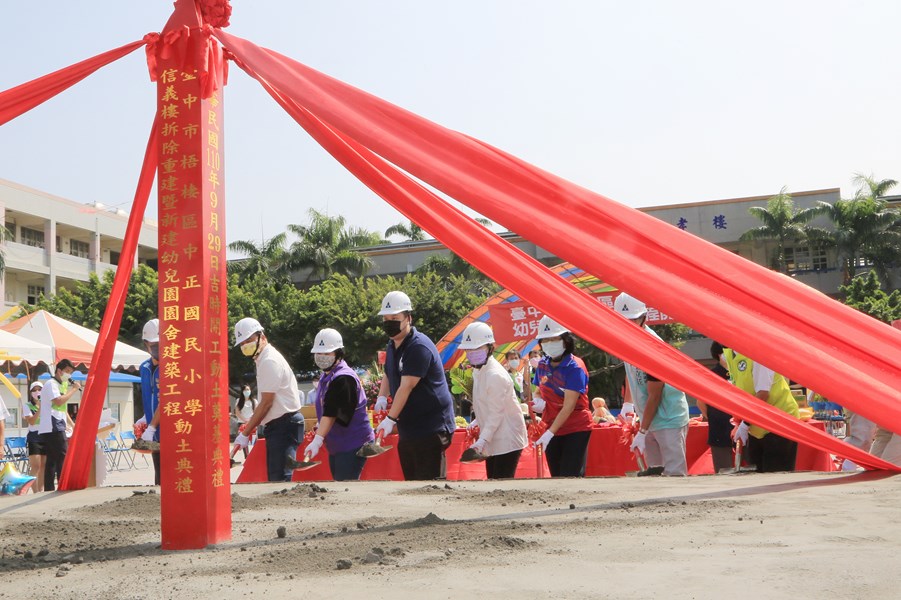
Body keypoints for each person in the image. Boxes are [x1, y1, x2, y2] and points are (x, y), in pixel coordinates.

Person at [374, 291, 456, 480]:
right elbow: (388, 371)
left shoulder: (418, 347)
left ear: (408, 318)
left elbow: (406, 386)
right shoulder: (392, 344)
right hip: (409, 426)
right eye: (386, 319)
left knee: (429, 483)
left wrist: (390, 418)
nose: (389, 323)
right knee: (412, 482)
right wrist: (381, 397)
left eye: (395, 318)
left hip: (431, 426)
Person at [614, 293, 690, 477]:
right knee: (655, 475)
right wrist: (628, 404)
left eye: (632, 320)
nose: (627, 325)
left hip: (668, 418)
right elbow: (631, 374)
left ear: (643, 318)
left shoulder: (654, 348)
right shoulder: (629, 341)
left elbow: (655, 395)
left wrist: (642, 431)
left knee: (674, 474)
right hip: (649, 418)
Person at [232, 317, 305, 482]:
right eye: (242, 343)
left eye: (248, 340)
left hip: (284, 424)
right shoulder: (263, 359)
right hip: (280, 424)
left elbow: (266, 403)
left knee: (280, 478)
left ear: (261, 336)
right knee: (277, 475)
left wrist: (245, 432)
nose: (245, 346)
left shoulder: (269, 360)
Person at [459, 322, 528, 479]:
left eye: (477, 348)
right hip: (492, 437)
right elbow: (484, 403)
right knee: (493, 482)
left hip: (507, 438)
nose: (472, 353)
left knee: (501, 483)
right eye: (469, 349)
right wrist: (477, 423)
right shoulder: (478, 370)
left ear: (490, 348)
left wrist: (481, 441)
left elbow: (496, 414)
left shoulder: (495, 375)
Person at [307, 328, 375, 480]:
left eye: (327, 353)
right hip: (338, 445)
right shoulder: (327, 377)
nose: (321, 357)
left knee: (345, 488)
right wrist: (320, 427)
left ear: (338, 353)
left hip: (353, 443)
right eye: (318, 353)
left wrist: (317, 440)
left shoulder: (343, 378)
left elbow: (332, 413)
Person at [531, 315, 593, 477]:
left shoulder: (575, 368)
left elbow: (569, 406)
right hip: (551, 426)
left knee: (570, 474)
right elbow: (538, 390)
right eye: (546, 340)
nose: (550, 344)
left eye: (554, 339)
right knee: (556, 475)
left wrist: (550, 432)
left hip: (575, 427)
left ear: (566, 340)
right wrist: (538, 401)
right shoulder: (543, 365)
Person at [723, 347, 799, 473]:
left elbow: (763, 393)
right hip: (757, 423)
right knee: (758, 474)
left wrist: (745, 423)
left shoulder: (758, 353)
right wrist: (739, 421)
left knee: (775, 475)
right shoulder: (730, 355)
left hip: (780, 422)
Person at [38, 359, 82, 491]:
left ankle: (50, 488)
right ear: (59, 370)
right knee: (63, 454)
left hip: (57, 422)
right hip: (52, 424)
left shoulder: (61, 384)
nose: (69, 375)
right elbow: (58, 401)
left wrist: (72, 424)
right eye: (67, 372)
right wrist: (74, 390)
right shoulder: (51, 384)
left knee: (52, 458)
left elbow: (62, 407)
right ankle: (64, 485)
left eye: (70, 373)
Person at [695, 342, 735, 473]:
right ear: (719, 355)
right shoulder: (712, 375)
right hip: (720, 429)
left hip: (742, 427)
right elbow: (700, 402)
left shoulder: (740, 370)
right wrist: (714, 417)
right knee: (724, 470)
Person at [138, 319, 162, 484]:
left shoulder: (172, 367)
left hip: (170, 431)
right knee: (159, 474)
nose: (158, 349)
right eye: (154, 345)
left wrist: (152, 426)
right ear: (146, 344)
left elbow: (166, 400)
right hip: (153, 434)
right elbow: (149, 397)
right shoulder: (144, 368)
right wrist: (145, 418)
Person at [22, 381, 46, 492]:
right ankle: (35, 491)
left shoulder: (47, 404)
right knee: (35, 466)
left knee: (43, 466)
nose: (37, 392)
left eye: (39, 389)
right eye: (34, 390)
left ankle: (41, 490)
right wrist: (40, 409)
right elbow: (31, 421)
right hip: (34, 437)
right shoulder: (27, 405)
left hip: (45, 435)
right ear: (31, 392)